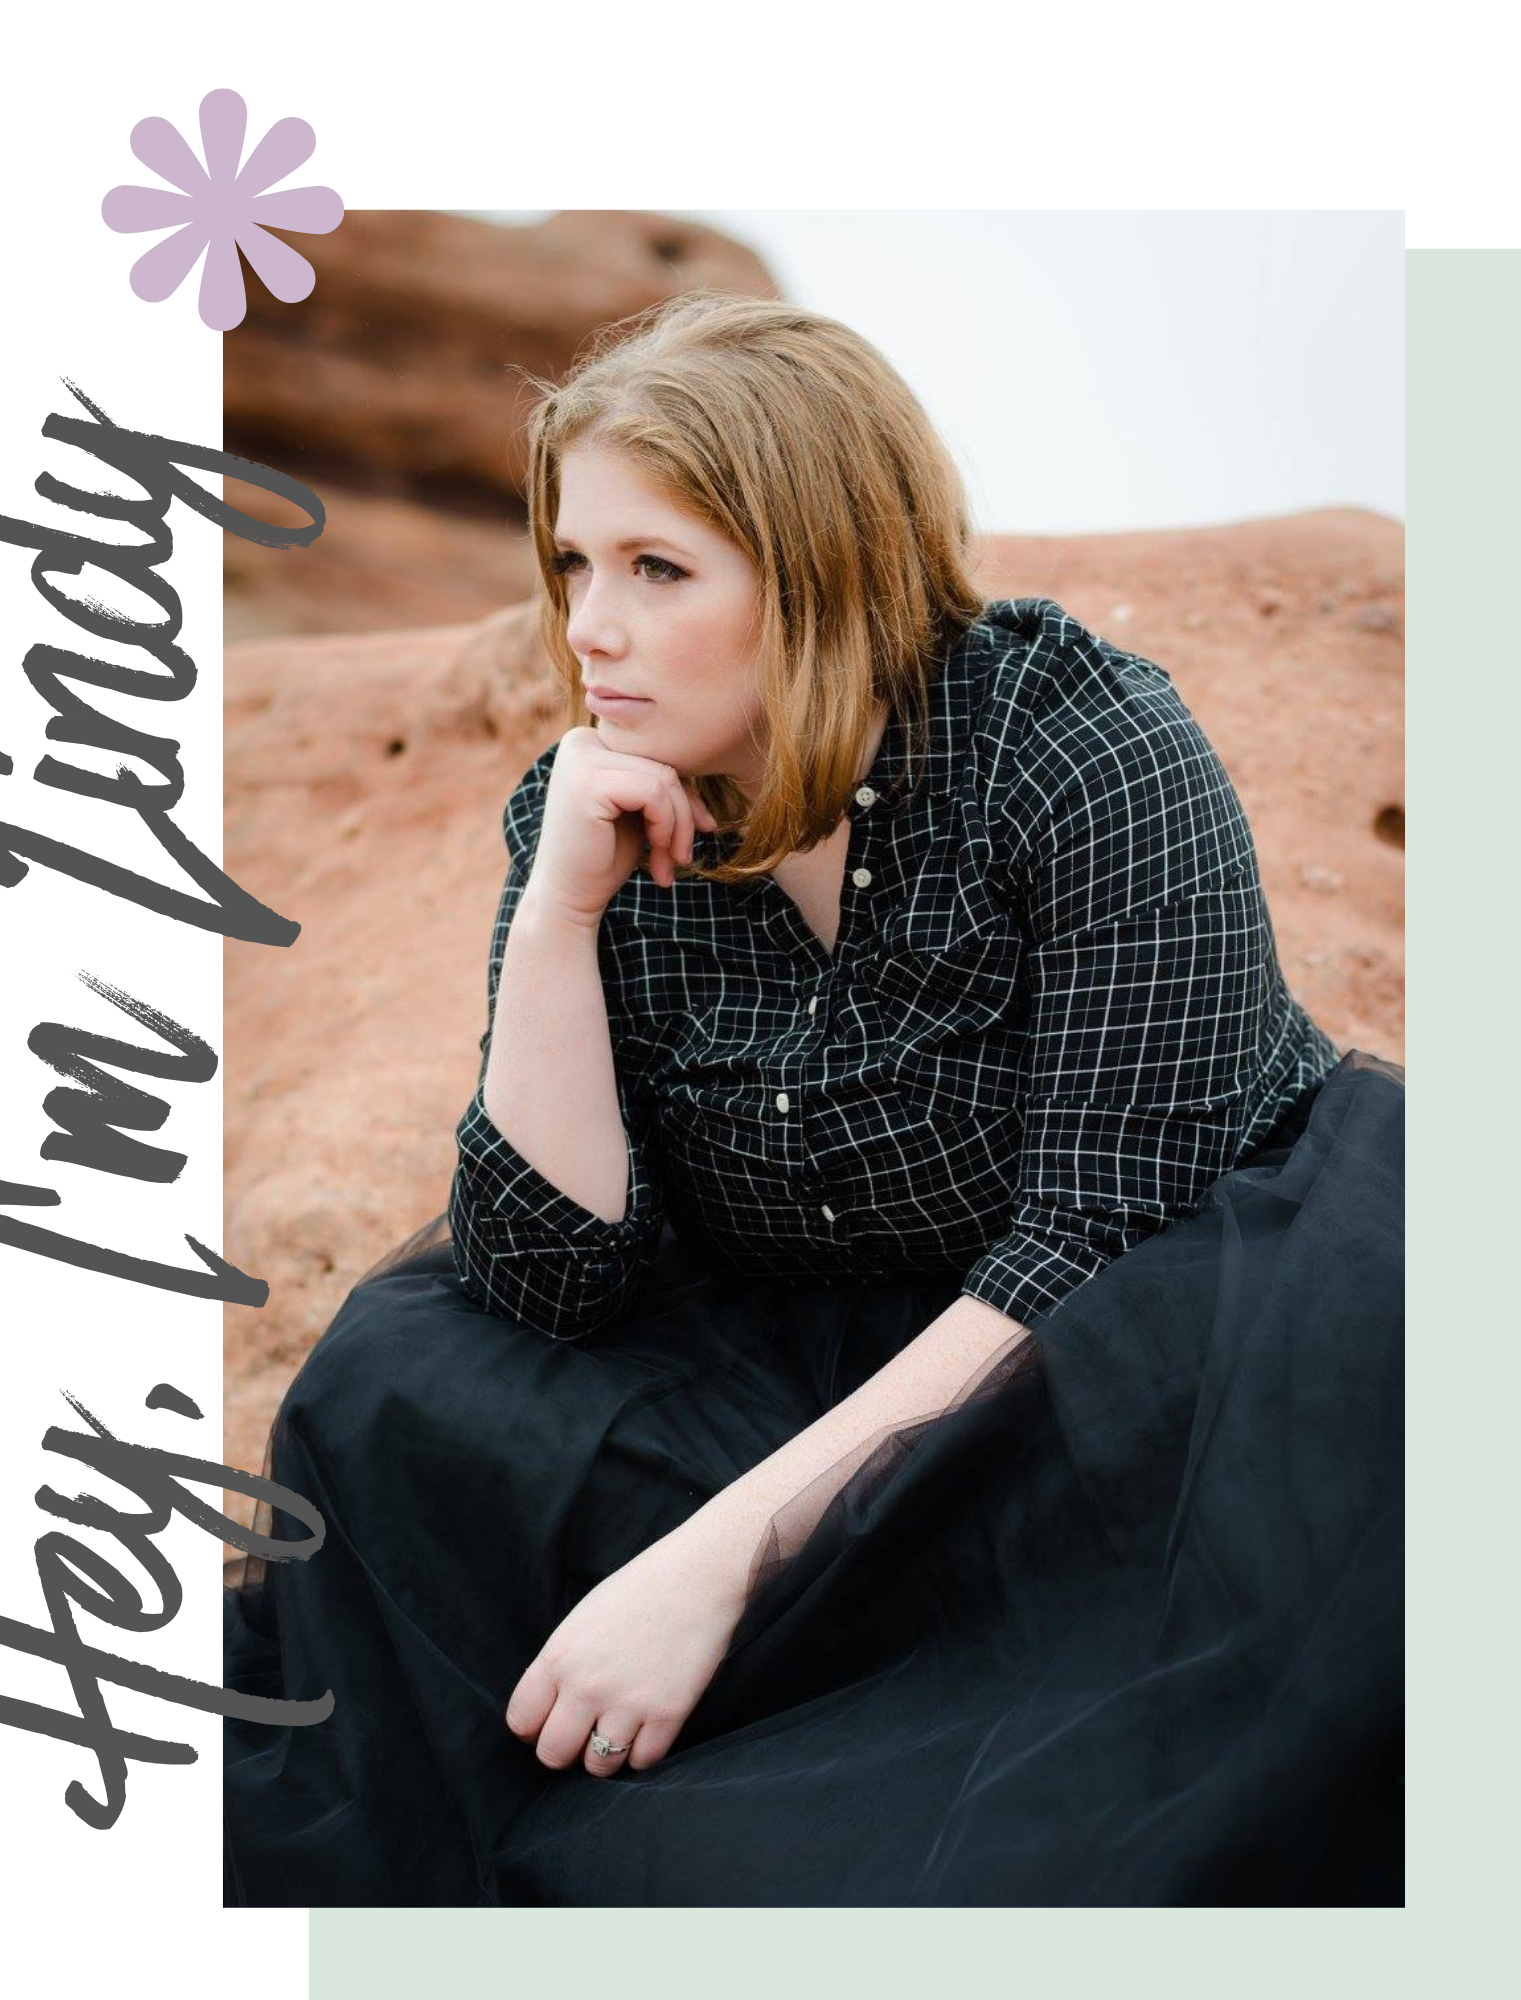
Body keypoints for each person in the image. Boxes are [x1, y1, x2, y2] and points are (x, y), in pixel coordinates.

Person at [223, 290, 1403, 1911]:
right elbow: (543, 1272)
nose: (590, 629)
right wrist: (560, 916)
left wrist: (712, 1567)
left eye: (656, 570)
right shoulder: (604, 794)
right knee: (398, 1384)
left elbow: (1090, 1238)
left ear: (820, 569)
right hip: (811, 1335)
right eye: (576, 564)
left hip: (1134, 1359)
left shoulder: (1081, 748)